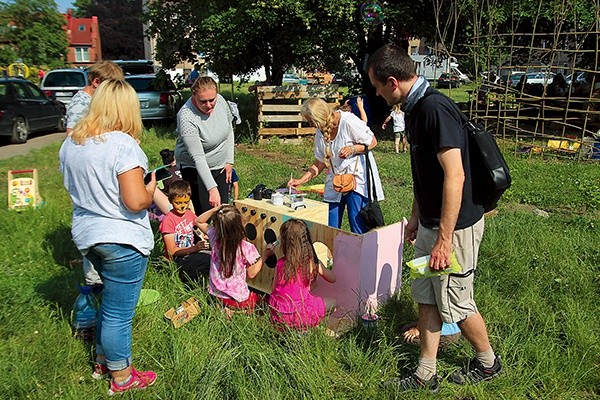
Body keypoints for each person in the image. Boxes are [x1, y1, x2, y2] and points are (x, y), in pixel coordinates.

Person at [368, 44, 502, 393]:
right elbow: (424, 174)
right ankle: (425, 375)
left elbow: (454, 176)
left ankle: (489, 364)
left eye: (378, 86)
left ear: (393, 81)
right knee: (426, 294)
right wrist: (416, 218)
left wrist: (444, 238)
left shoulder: (434, 109)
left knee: (457, 301)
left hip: (454, 228)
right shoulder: (412, 109)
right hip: (430, 223)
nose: (377, 93)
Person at [59, 79, 157, 395]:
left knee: (109, 304)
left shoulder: (72, 143)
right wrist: (151, 190)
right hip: (123, 239)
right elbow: (135, 201)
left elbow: (73, 189)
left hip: (89, 237)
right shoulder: (122, 145)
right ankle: (123, 376)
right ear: (126, 109)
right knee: (119, 313)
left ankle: (102, 360)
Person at [64, 60, 125, 289]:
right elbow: (72, 135)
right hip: (89, 174)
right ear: (96, 82)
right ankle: (93, 281)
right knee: (93, 225)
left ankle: (101, 273)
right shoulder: (82, 102)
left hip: (98, 169)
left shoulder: (94, 102)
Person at [288, 97, 384, 234]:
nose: (311, 124)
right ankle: (332, 254)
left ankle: (359, 253)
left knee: (357, 227)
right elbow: (319, 163)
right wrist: (300, 180)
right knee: (330, 227)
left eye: (311, 121)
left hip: (355, 180)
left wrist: (353, 149)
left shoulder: (348, 121)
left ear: (319, 115)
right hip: (335, 181)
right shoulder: (320, 132)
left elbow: (372, 141)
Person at [195, 204, 274, 315]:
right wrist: (265, 255)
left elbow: (198, 221)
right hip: (236, 298)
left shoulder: (214, 236)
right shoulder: (246, 247)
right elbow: (251, 274)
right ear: (239, 225)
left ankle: (221, 306)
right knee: (265, 301)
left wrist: (216, 210)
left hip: (216, 293)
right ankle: (236, 311)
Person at [175, 76, 235, 215]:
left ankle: (223, 236)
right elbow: (198, 157)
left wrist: (229, 161)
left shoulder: (221, 101)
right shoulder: (186, 117)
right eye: (203, 101)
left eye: (211, 100)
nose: (208, 105)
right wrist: (212, 189)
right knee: (205, 212)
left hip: (220, 165)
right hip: (195, 168)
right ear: (194, 96)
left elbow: (229, 130)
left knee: (224, 211)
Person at [269, 219, 336, 331]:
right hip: (298, 315)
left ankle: (289, 330)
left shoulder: (280, 263)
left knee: (308, 297)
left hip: (277, 315)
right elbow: (333, 279)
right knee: (333, 303)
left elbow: (273, 290)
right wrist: (319, 265)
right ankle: (309, 327)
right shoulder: (312, 263)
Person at [159, 180, 210, 283]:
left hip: (191, 252)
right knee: (209, 261)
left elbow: (198, 230)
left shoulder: (189, 214)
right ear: (170, 200)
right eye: (178, 203)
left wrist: (206, 237)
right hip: (178, 259)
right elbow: (172, 251)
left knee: (215, 255)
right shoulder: (168, 221)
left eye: (186, 202)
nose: (182, 206)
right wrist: (194, 248)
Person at [66, 60, 124, 136]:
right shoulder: (80, 104)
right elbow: (72, 135)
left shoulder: (96, 100)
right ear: (96, 82)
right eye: (110, 87)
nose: (113, 92)